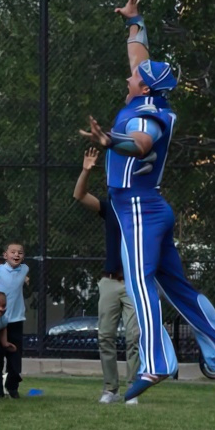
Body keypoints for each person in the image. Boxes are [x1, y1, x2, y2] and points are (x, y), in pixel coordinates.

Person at [78, 0, 215, 400]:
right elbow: (138, 58)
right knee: (178, 288)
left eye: (134, 77)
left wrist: (109, 142)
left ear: (145, 89)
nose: (128, 74)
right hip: (146, 207)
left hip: (138, 207)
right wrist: (134, 21)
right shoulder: (148, 96)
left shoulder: (148, 115)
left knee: (139, 283)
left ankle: (155, 365)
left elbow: (139, 144)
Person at [73, 146, 141, 404]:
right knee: (105, 336)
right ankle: (110, 389)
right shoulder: (111, 206)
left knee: (134, 337)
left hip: (135, 284)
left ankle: (132, 390)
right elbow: (79, 195)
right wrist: (86, 170)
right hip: (110, 281)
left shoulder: (147, 210)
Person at [0, 242, 30, 399]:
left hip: (16, 321)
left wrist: (26, 279)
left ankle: (12, 386)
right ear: (5, 255)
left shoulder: (24, 269)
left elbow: (23, 275)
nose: (16, 255)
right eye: (13, 252)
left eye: (20, 252)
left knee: (15, 357)